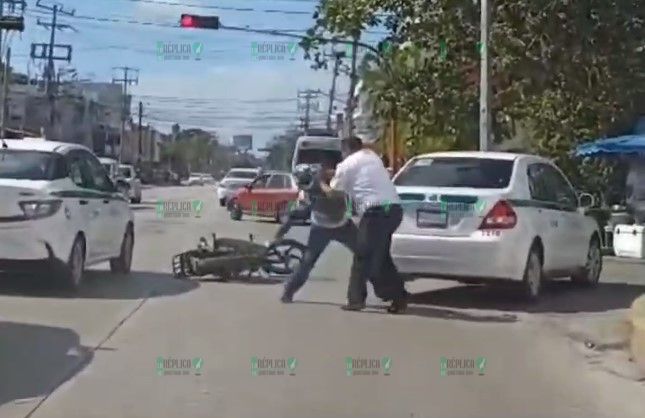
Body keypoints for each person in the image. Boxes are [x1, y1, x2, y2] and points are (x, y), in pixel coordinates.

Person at [323, 135, 408, 313]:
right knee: (381, 257)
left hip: (375, 212)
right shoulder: (372, 157)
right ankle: (398, 296)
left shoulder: (346, 165)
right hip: (393, 210)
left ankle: (356, 299)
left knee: (362, 256)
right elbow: (362, 176)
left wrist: (321, 182)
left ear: (345, 150)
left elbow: (333, 192)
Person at [280, 158, 358, 303]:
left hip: (342, 225)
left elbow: (346, 198)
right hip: (320, 227)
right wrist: (285, 227)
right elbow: (305, 207)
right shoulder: (312, 186)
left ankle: (382, 289)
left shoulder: (340, 181)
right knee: (307, 261)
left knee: (364, 255)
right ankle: (289, 291)